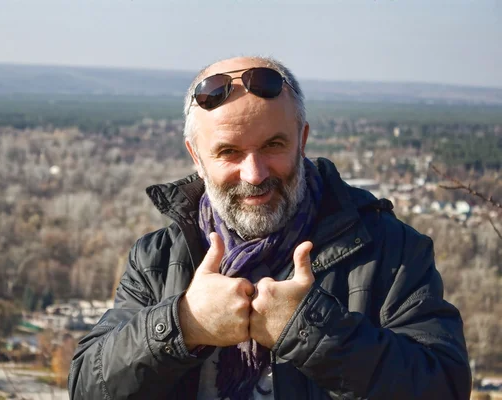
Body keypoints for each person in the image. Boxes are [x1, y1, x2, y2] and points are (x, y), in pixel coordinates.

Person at [68, 56, 471, 400]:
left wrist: (309, 330)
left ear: (302, 140)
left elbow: (445, 386)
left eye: (273, 146)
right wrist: (183, 324)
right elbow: (88, 384)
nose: (255, 173)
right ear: (196, 156)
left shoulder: (390, 250)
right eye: (229, 152)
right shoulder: (159, 257)